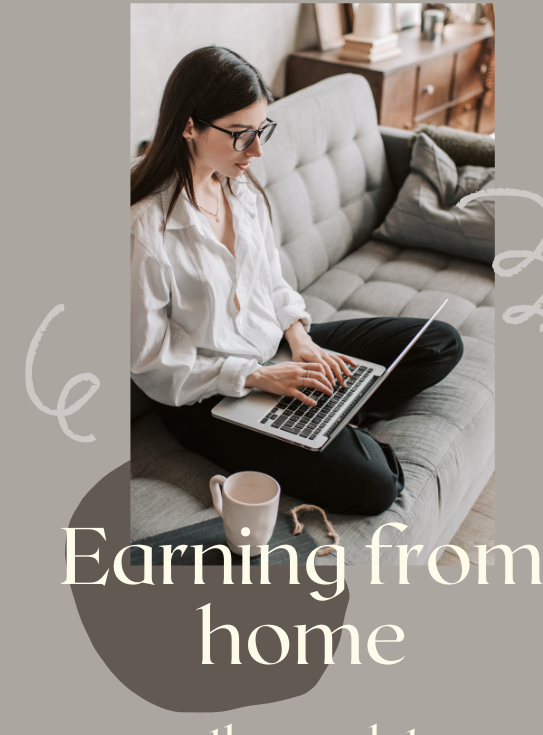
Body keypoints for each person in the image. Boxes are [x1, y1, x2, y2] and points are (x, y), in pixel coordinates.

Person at [131, 46, 463, 516]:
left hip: (276, 352)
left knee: (439, 343)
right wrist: (259, 377)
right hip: (208, 395)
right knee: (375, 486)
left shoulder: (237, 186)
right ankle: (327, 418)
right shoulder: (143, 229)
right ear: (190, 126)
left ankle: (324, 411)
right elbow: (151, 362)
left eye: (261, 130)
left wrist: (301, 340)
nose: (258, 150)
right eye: (242, 135)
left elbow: (272, 281)